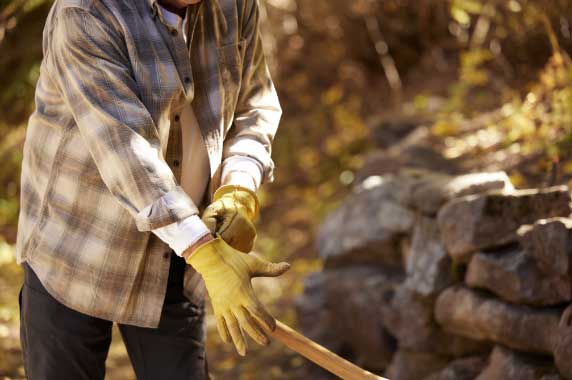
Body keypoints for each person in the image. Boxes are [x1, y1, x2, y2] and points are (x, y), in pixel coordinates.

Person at [15, 0, 288, 378]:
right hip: (75, 251)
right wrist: (207, 255)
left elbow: (253, 107)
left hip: (177, 255)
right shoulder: (85, 13)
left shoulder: (236, 5)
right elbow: (127, 153)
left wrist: (237, 188)